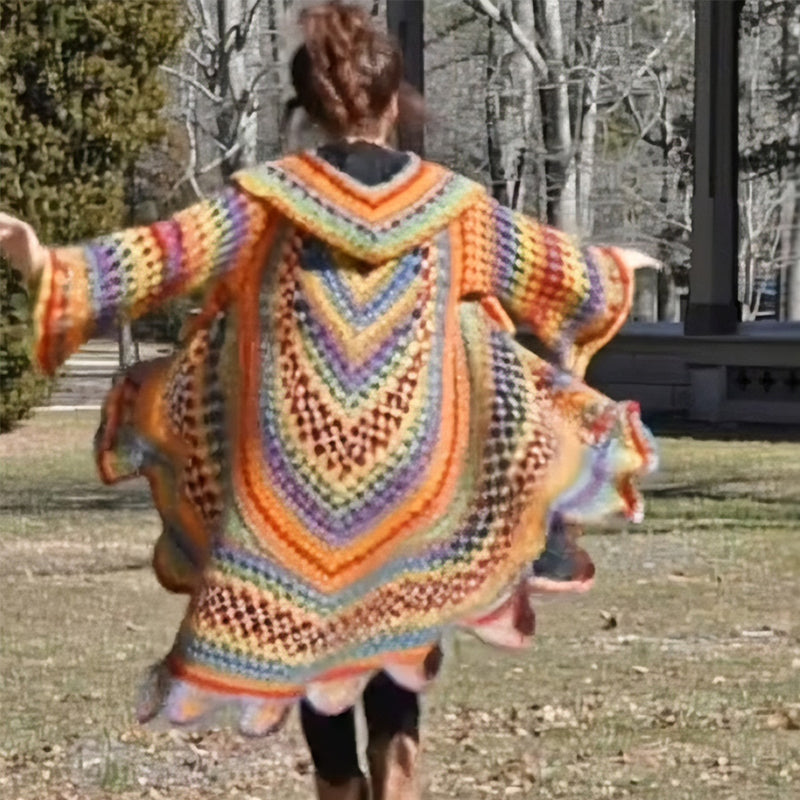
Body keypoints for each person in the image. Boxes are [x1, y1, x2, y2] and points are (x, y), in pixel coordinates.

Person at [0, 3, 658, 799]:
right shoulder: (454, 209)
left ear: (307, 111)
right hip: (413, 470)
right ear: (394, 105)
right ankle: (398, 766)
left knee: (314, 633)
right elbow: (557, 270)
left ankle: (338, 782)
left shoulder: (262, 203)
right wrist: (614, 268)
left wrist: (42, 262)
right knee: (401, 619)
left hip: (291, 480)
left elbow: (153, 258)